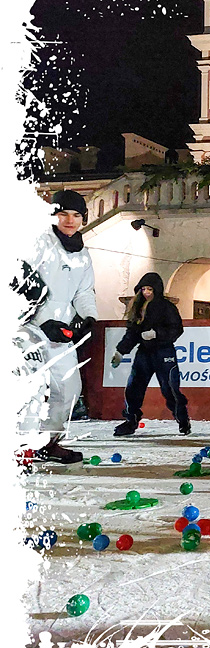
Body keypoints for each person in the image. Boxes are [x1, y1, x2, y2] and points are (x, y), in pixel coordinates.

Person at [14, 190, 98, 463]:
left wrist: (89, 319)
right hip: (28, 329)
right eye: (63, 214)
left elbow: (84, 292)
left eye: (76, 215)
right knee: (34, 388)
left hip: (61, 332)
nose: (70, 221)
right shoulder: (36, 243)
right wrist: (33, 316)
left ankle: (48, 443)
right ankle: (20, 450)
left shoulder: (83, 255)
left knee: (69, 391)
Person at [109, 272, 189, 437]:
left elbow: (176, 329)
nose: (146, 292)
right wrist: (120, 351)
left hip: (164, 352)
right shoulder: (137, 307)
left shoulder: (167, 307)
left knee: (170, 389)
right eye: (143, 289)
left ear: (157, 290)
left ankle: (182, 419)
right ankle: (131, 420)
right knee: (133, 388)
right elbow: (132, 333)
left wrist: (156, 334)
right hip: (144, 353)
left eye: (150, 289)